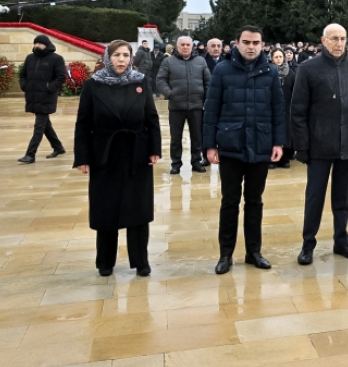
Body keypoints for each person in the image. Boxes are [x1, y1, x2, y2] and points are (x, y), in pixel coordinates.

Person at [73, 40, 161, 277]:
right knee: (106, 208)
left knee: (138, 209)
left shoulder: (141, 82)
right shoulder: (93, 85)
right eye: (116, 55)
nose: (121, 60)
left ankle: (141, 261)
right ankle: (105, 261)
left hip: (136, 153)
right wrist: (82, 157)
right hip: (105, 154)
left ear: (131, 58)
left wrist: (154, 149)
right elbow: (83, 124)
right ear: (107, 58)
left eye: (125, 55)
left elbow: (151, 118)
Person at [289, 24, 348, 265]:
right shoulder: (308, 68)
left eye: (343, 38)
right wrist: (302, 146)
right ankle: (308, 244)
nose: (339, 43)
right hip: (319, 146)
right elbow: (297, 111)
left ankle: (341, 240)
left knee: (342, 196)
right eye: (334, 38)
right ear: (323, 41)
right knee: (314, 197)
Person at [203, 26, 285, 274]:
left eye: (256, 43)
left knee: (254, 201)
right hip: (231, 145)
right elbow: (211, 109)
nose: (251, 47)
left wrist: (278, 142)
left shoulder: (270, 71)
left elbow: (278, 109)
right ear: (236, 43)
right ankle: (225, 254)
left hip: (260, 144)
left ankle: (254, 252)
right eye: (246, 42)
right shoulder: (222, 70)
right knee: (230, 201)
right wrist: (209, 145)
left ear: (262, 45)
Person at [156, 36, 210, 174]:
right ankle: (176, 164)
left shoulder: (201, 61)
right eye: (183, 45)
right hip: (176, 106)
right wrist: (170, 94)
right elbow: (160, 80)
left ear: (192, 47)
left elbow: (208, 82)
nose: (185, 47)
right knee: (176, 138)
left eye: (188, 45)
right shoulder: (168, 61)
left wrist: (205, 99)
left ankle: (196, 162)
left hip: (196, 106)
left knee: (197, 137)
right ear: (177, 47)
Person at [17, 35, 68, 163]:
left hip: (46, 97)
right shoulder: (30, 58)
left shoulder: (56, 59)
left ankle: (30, 154)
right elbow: (22, 75)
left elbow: (61, 77)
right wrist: (25, 86)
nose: (37, 45)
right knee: (45, 125)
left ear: (46, 45)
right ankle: (58, 147)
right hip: (33, 97)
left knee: (39, 126)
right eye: (35, 43)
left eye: (40, 43)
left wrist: (49, 88)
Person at [269, 47, 294, 169]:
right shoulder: (267, 72)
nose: (279, 59)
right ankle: (272, 159)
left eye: (280, 57)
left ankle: (284, 158)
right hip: (271, 108)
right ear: (271, 59)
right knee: (272, 132)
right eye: (276, 57)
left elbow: (295, 91)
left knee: (286, 132)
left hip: (287, 107)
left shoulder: (291, 73)